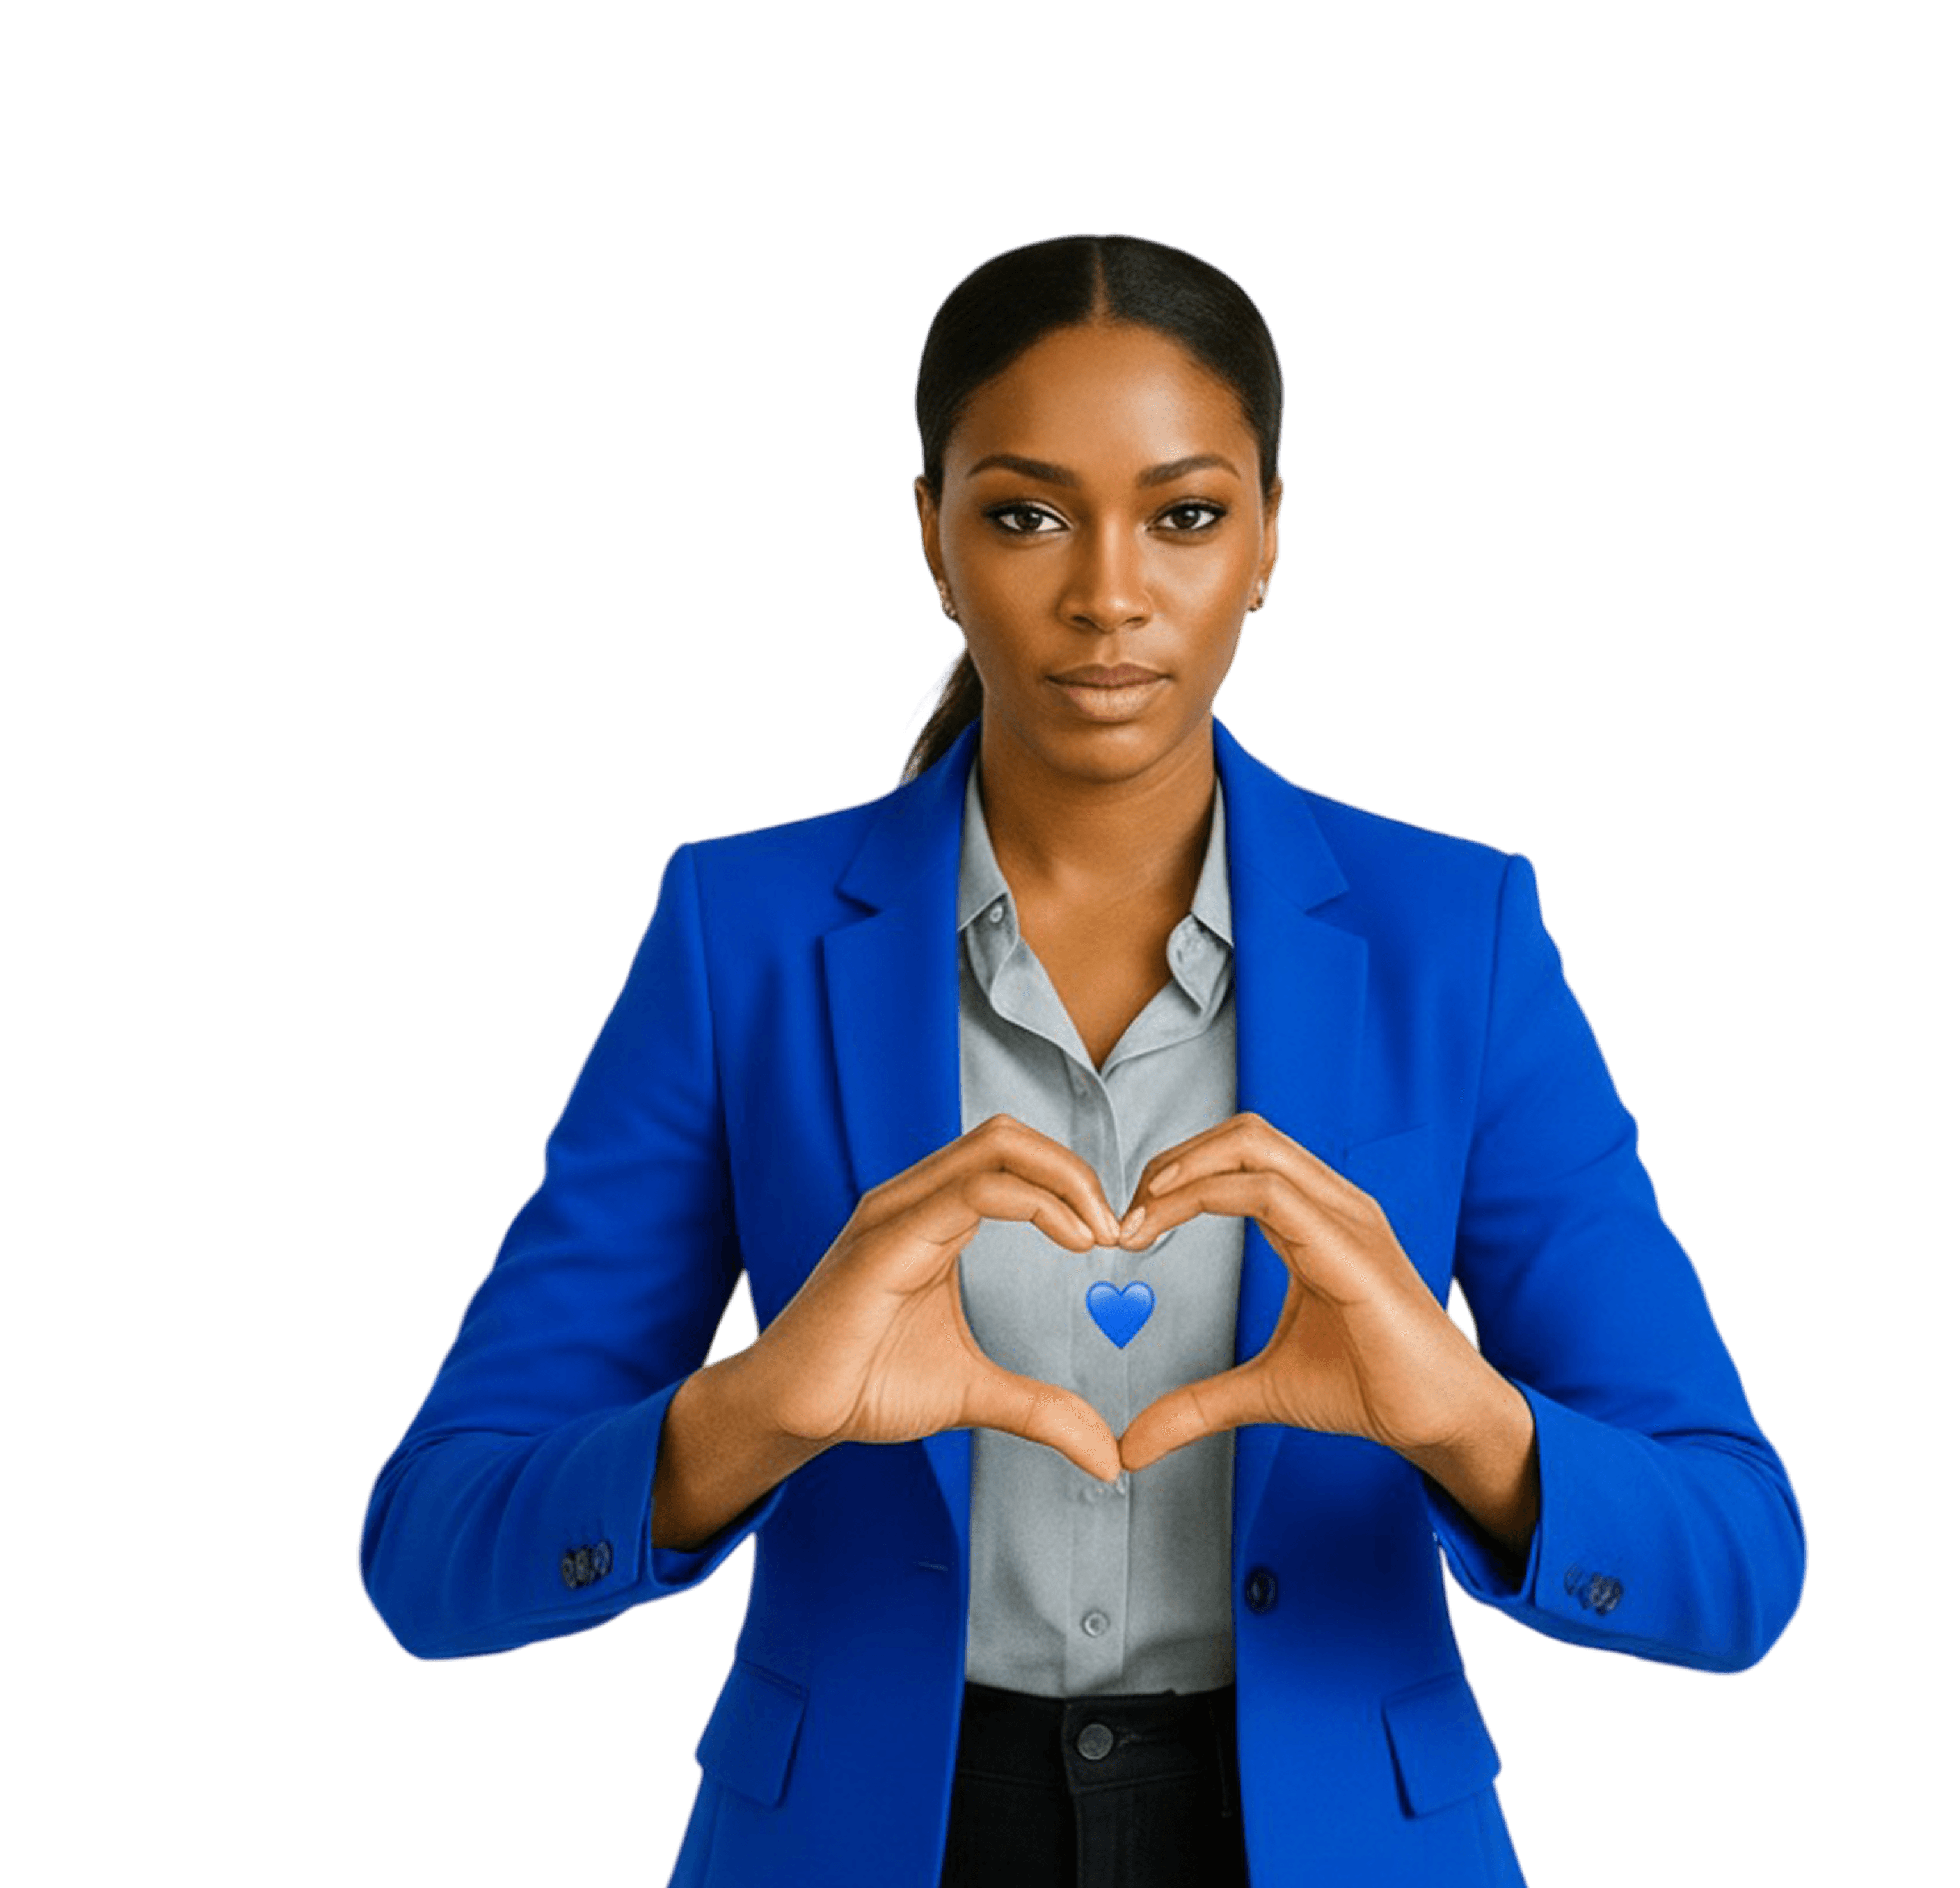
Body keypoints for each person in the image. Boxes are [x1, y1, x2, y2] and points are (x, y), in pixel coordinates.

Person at [356, 233, 1807, 1887]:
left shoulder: (1453, 937)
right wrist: (753, 1416)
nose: (1108, 594)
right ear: (931, 536)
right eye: (1027, 515)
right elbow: (433, 1550)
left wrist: (1469, 1425)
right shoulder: (736, 933)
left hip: (1332, 1838)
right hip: (865, 1839)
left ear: (1268, 539)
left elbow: (1739, 1562)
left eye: (1183, 516)